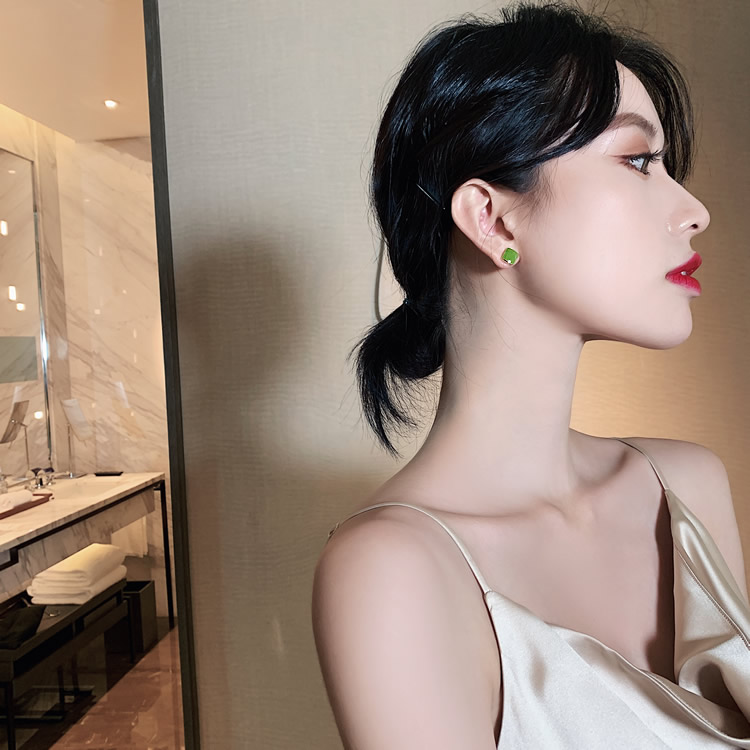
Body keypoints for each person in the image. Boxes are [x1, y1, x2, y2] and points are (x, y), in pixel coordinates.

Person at [311, 2, 750, 747]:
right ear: (492, 220)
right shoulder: (393, 573)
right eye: (638, 160)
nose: (694, 210)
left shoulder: (688, 485)